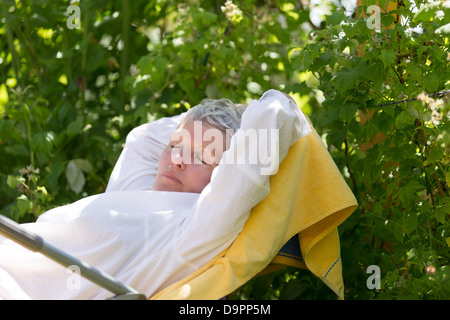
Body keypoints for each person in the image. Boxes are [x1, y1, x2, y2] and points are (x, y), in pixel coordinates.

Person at [0, 89, 311, 299]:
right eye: (175, 146)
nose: (176, 160)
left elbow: (277, 114)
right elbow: (142, 139)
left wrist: (237, 124)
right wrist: (201, 124)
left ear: (225, 173)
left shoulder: (197, 228)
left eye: (202, 157)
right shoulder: (134, 190)